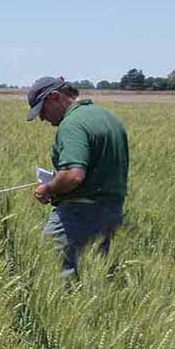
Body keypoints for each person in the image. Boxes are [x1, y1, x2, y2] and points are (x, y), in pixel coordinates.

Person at [27, 76, 129, 275]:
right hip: (112, 211)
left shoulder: (72, 124)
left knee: (53, 272)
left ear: (55, 97)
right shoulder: (108, 118)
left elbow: (74, 174)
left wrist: (48, 188)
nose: (42, 118)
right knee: (97, 278)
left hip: (79, 213)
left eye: (43, 110)